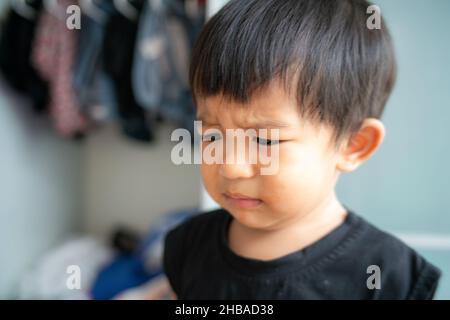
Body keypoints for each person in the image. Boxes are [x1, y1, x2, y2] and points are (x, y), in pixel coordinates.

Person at [163, 0, 441, 299]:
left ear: (353, 145)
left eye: (265, 140)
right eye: (212, 135)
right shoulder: (188, 244)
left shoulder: (389, 275)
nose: (230, 166)